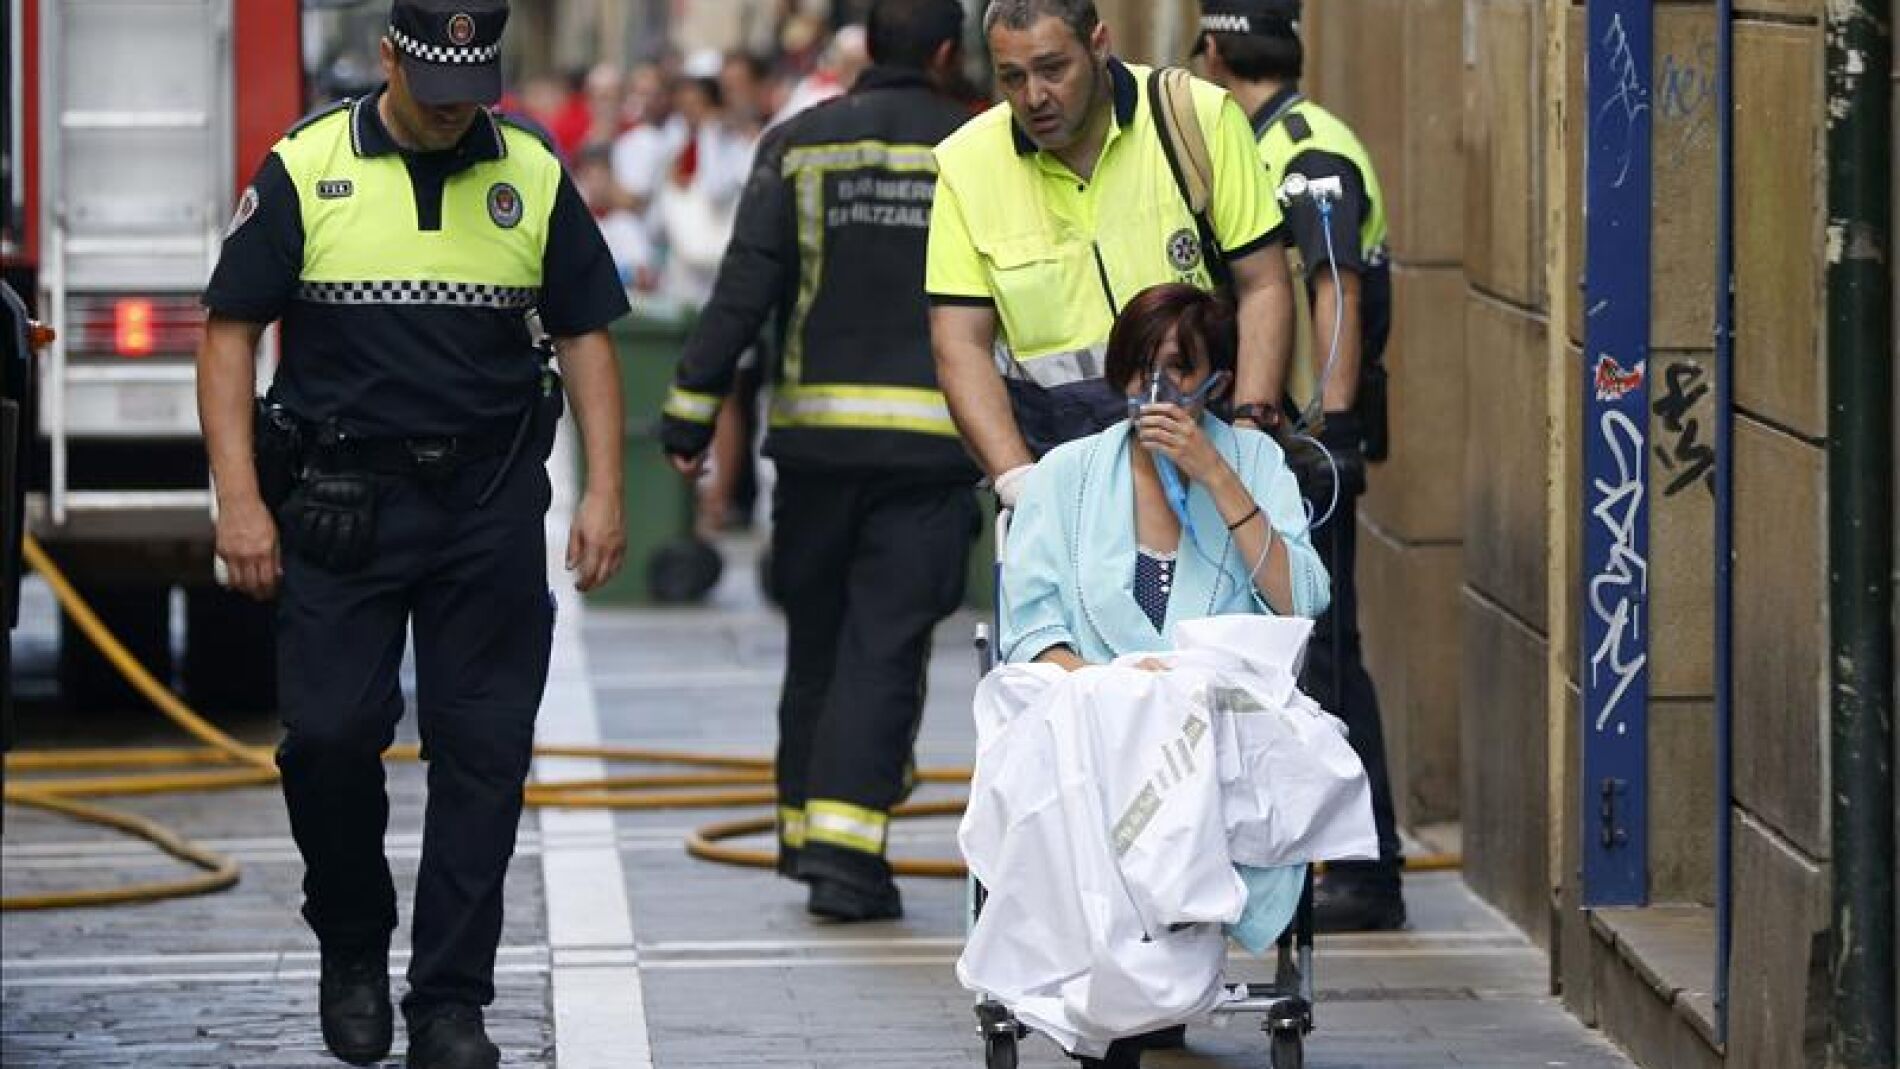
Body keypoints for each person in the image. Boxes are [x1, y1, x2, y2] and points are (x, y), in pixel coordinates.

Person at [195, 0, 630, 1065]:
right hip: (342, 505)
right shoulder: (307, 167)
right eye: (434, 91)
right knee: (329, 737)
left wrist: (604, 491)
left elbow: (585, 335)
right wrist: (239, 499)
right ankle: (353, 941)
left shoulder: (529, 170)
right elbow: (229, 335)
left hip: (486, 504)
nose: (451, 113)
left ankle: (450, 1002)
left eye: (469, 93)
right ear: (388, 58)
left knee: (484, 754)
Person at [659, 0, 980, 922]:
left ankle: (804, 831)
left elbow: (743, 287)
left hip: (814, 448)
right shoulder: (978, 147)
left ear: (868, 47)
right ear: (948, 52)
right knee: (884, 644)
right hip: (928, 448)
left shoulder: (799, 144)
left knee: (818, 641)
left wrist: (689, 412)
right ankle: (845, 855)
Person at [999, 282, 1328, 1069]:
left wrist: (1216, 476)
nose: (1156, 387)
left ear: (1218, 379)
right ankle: (1129, 975)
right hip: (1094, 723)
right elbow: (1031, 627)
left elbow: (1302, 598)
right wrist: (1111, 686)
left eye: (1180, 368)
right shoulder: (1067, 475)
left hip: (1212, 735)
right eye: (1140, 365)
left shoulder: (1253, 464)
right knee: (1108, 738)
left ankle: (1156, 967)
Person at [1193, 0, 1405, 932]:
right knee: (1303, 648)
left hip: (1307, 448)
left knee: (1324, 651)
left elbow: (1334, 289)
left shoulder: (1305, 151)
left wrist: (1334, 429)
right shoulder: (1263, 142)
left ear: (1214, 50)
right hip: (1278, 442)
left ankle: (1365, 867)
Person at [926, 0, 1297, 507]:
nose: (1034, 97)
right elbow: (959, 343)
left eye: (1053, 69)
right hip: (1060, 481)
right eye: (1012, 77)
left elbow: (1264, 284)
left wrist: (1249, 437)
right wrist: (1018, 482)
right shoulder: (966, 166)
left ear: (1098, 45)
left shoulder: (1197, 118)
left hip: (1207, 462)